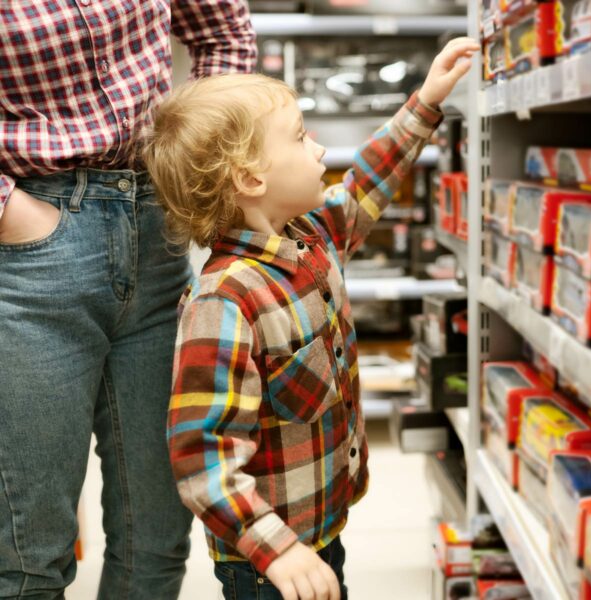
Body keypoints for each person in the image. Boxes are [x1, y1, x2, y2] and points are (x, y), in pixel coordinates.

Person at [144, 37, 479, 600]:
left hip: (322, 527)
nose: (319, 147)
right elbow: (202, 458)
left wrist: (427, 100)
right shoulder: (224, 303)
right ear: (251, 179)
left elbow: (366, 182)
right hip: (268, 563)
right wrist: (278, 551)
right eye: (300, 137)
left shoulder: (311, 236)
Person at [0, 2, 256, 599]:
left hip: (157, 226)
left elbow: (221, 27)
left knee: (157, 542)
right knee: (28, 556)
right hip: (30, 246)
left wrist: (198, 155)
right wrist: (11, 214)